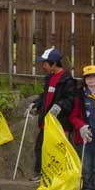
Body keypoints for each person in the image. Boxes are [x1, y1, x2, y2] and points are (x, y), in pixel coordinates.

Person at [26, 47, 76, 182]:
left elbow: (70, 99)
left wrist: (60, 105)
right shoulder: (49, 78)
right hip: (46, 122)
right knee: (40, 146)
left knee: (58, 151)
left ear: (53, 64)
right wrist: (35, 104)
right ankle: (39, 173)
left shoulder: (67, 80)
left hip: (60, 124)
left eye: (45, 63)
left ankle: (59, 176)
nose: (43, 65)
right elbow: (45, 96)